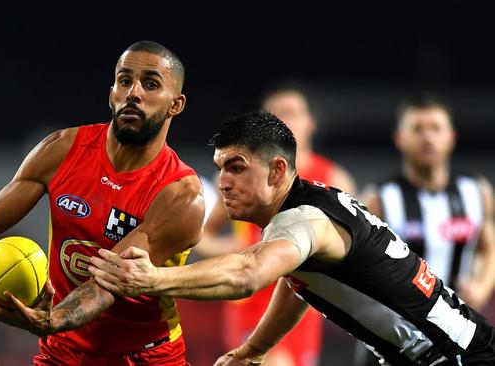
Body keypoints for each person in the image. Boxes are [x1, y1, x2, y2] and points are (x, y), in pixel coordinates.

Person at [89, 110, 495, 366]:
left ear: (278, 170)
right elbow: (298, 283)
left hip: (452, 355)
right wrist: (254, 349)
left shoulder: (305, 220)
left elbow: (248, 274)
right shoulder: (312, 205)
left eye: (236, 168)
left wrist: (154, 279)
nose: (224, 183)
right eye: (220, 169)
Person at [0, 40, 205, 366]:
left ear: (176, 104)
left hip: (145, 357)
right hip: (63, 353)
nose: (134, 93)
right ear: (111, 92)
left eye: (151, 84)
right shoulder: (61, 150)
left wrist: (51, 320)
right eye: (124, 80)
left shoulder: (182, 195)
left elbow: (108, 281)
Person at [194, 85, 356, 366]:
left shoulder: (333, 177)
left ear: (311, 122)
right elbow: (202, 236)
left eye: (291, 113)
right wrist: (235, 249)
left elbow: (352, 248)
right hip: (252, 303)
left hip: (304, 305)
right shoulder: (245, 173)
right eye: (275, 115)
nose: (284, 121)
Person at [355, 94, 495, 365]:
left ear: (451, 137)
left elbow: (490, 248)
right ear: (399, 138)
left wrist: (480, 287)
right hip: (394, 339)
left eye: (435, 128)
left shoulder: (477, 192)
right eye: (417, 129)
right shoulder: (379, 199)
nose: (427, 137)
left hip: (458, 333)